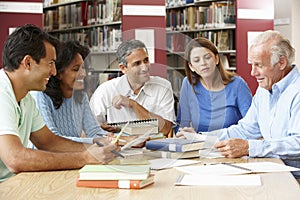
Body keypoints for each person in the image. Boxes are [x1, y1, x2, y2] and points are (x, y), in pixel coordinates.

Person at [0, 24, 118, 182]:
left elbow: (49, 142)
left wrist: (99, 149)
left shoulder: (26, 98)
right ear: (28, 63)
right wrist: (84, 158)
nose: (54, 72)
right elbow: (15, 158)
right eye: (50, 64)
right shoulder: (2, 93)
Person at [178, 30, 300, 178]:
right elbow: (245, 129)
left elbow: (297, 143)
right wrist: (201, 138)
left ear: (281, 62)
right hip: (273, 172)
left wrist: (250, 147)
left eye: (259, 65)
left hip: (294, 179)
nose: (253, 72)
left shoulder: (296, 92)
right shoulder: (263, 92)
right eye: (251, 65)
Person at [89, 39, 176, 137]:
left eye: (146, 60)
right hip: (119, 149)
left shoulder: (163, 87)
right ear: (123, 68)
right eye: (137, 63)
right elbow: (90, 130)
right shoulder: (105, 91)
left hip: (154, 149)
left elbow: (166, 129)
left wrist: (133, 105)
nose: (145, 67)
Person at [31, 40, 108, 144]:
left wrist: (121, 140)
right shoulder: (41, 95)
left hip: (70, 154)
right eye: (76, 69)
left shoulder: (81, 95)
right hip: (44, 157)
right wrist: (95, 141)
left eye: (84, 68)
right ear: (58, 73)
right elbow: (52, 139)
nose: (83, 74)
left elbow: (94, 131)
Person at [176, 37, 252, 132]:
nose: (203, 63)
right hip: (198, 145)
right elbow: (182, 123)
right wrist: (184, 133)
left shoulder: (237, 84)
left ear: (216, 59)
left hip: (230, 144)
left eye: (207, 57)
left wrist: (199, 136)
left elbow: (251, 126)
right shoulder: (188, 83)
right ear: (191, 66)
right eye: (196, 60)